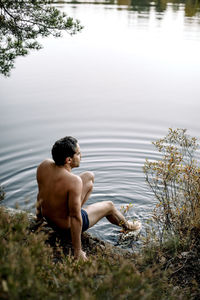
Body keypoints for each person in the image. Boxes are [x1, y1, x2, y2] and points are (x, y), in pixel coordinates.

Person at [36, 136, 141, 261]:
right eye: (78, 154)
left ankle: (57, 214)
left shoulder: (44, 165)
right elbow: (75, 217)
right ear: (69, 160)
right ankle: (129, 227)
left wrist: (39, 221)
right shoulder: (73, 181)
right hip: (65, 226)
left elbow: (40, 195)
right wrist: (78, 251)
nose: (82, 156)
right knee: (110, 206)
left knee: (89, 177)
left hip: (50, 218)